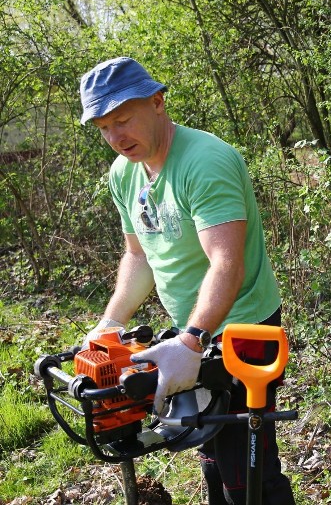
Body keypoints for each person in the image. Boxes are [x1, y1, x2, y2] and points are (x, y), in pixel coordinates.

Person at [78, 56, 295, 505]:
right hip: (191, 329)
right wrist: (110, 324)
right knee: (211, 454)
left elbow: (225, 264)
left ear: (157, 103)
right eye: (103, 127)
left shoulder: (205, 161)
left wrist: (192, 341)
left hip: (243, 327)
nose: (116, 137)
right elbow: (138, 257)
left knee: (247, 474)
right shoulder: (124, 173)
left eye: (123, 119)